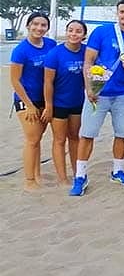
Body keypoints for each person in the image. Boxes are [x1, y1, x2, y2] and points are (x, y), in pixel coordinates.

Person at [70, 0, 124, 196]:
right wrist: (89, 88)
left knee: (122, 134)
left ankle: (118, 170)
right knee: (87, 134)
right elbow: (88, 61)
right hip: (99, 92)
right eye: (122, 11)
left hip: (122, 93)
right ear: (117, 13)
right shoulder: (102, 32)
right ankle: (80, 175)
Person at [10, 12, 57, 191]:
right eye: (35, 24)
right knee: (32, 139)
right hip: (26, 100)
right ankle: (29, 180)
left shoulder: (51, 45)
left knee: (39, 138)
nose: (39, 28)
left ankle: (37, 174)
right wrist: (29, 105)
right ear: (28, 26)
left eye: (43, 25)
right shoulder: (21, 50)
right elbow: (15, 80)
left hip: (45, 99)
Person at [43, 19, 87, 186]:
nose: (74, 34)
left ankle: (78, 173)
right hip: (59, 103)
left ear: (84, 35)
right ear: (66, 32)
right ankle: (62, 177)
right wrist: (49, 105)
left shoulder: (86, 51)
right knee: (59, 140)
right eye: (70, 30)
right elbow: (48, 82)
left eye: (78, 31)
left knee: (75, 138)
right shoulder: (55, 54)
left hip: (77, 102)